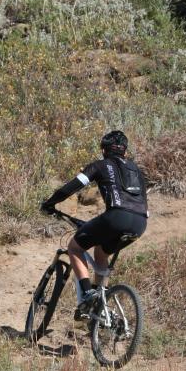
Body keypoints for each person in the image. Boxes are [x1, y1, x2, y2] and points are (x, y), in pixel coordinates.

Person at [40, 130, 148, 314]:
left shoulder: (100, 165)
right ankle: (100, 306)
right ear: (125, 152)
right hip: (140, 222)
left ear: (103, 150)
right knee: (100, 253)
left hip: (116, 217)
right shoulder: (136, 170)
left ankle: (89, 293)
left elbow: (72, 187)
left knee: (74, 247)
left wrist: (49, 203)